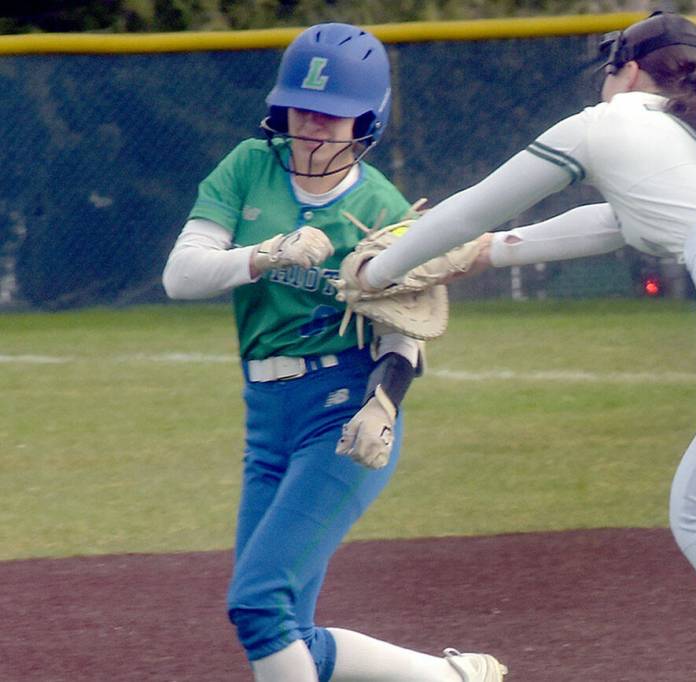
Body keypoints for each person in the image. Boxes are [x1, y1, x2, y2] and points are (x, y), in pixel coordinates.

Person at [353, 11, 696, 682]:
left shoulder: (602, 124)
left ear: (629, 68)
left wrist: (377, 271)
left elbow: (474, 206)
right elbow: (613, 222)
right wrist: (489, 256)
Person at [161, 23, 506, 682]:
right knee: (281, 626)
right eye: (302, 110)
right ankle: (454, 679)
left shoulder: (382, 208)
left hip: (343, 417)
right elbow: (181, 275)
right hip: (267, 419)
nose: (314, 128)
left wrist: (383, 404)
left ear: (366, 122)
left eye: (333, 117)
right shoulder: (248, 167)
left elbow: (406, 329)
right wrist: (264, 255)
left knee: (258, 606)